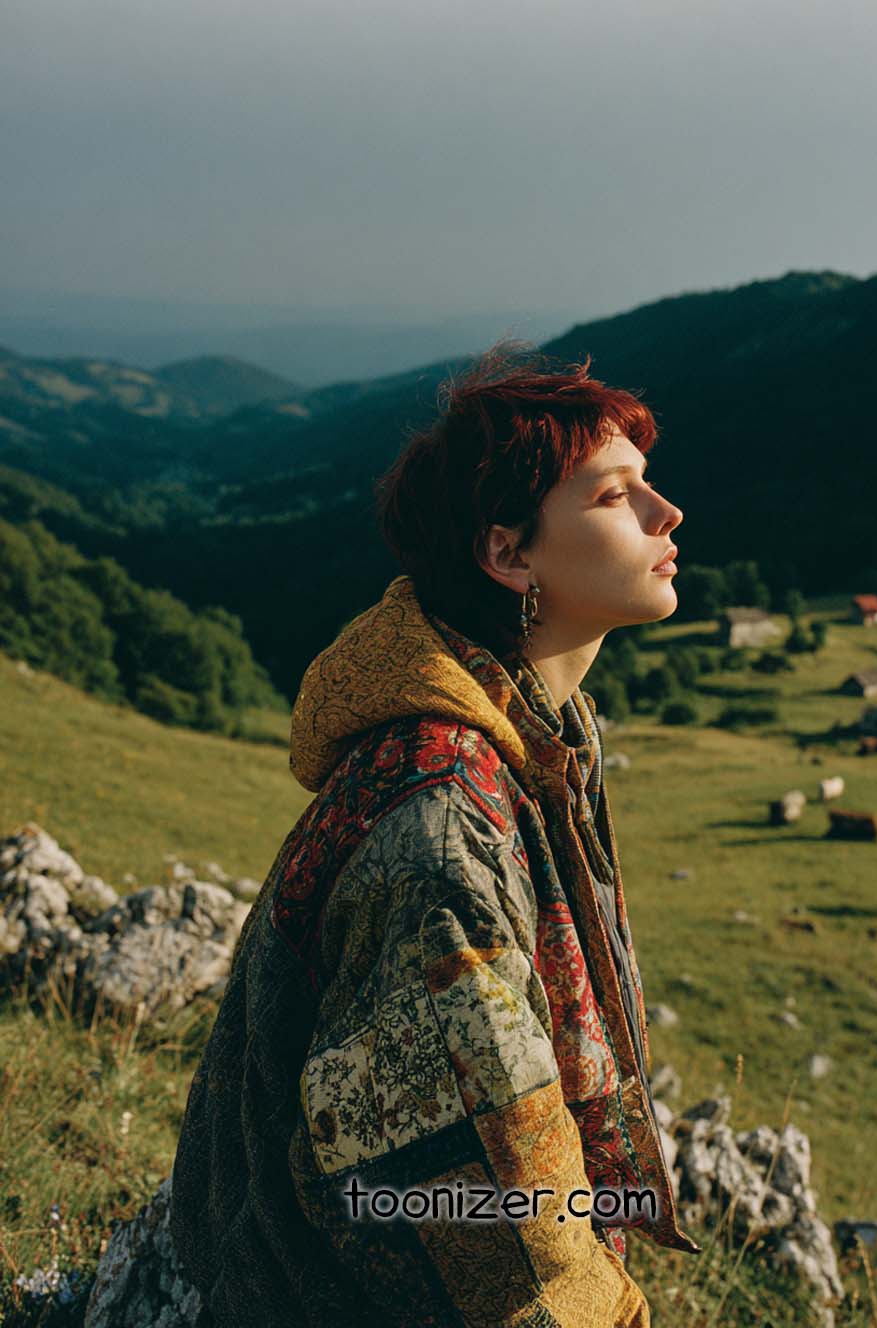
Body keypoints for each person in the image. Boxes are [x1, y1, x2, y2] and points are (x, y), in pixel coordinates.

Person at [169, 343, 699, 1327]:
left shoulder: (540, 737)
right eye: (612, 494)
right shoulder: (443, 825)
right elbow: (489, 1226)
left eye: (648, 486)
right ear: (508, 553)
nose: (664, 514)